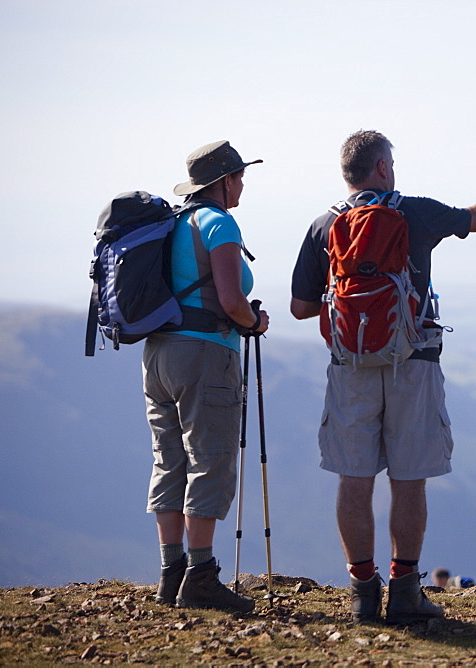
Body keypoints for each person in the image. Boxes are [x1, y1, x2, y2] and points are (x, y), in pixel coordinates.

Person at [290, 130, 476, 624]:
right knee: (409, 479)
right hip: (414, 361)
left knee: (355, 477)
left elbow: (301, 308)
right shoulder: (414, 213)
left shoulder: (325, 225)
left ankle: (363, 592)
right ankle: (405, 590)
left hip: (351, 367)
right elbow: (473, 218)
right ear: (383, 167)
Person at [146, 140, 269, 613]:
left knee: (169, 459)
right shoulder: (219, 223)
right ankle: (200, 576)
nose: (242, 185)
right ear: (223, 181)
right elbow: (232, 300)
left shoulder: (173, 224)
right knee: (210, 459)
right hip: (204, 355)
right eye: (239, 177)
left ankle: (170, 571)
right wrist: (254, 323)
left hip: (159, 356)